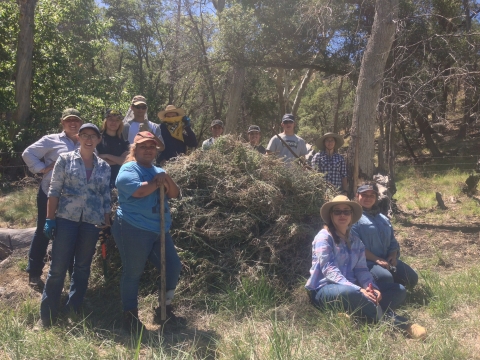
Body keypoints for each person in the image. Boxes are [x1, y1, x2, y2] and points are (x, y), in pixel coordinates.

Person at [305, 195, 426, 339]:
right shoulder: (324, 237)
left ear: (351, 216)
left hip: (353, 289)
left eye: (346, 211)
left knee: (398, 290)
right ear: (331, 216)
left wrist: (371, 287)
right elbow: (329, 269)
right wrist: (359, 290)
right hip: (325, 290)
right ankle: (402, 324)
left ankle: (353, 313)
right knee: (350, 293)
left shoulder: (355, 241)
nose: (342, 215)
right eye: (337, 212)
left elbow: (361, 269)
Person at [40, 123, 111, 327]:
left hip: (91, 222)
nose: (89, 139)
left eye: (93, 136)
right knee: (58, 268)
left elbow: (106, 197)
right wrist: (50, 218)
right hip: (66, 219)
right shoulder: (65, 160)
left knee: (82, 267)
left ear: (98, 140)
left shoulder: (104, 167)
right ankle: (47, 316)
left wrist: (106, 224)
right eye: (85, 135)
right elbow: (54, 191)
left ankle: (73, 309)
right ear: (79, 137)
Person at [112, 131, 183, 333]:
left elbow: (175, 193)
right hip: (133, 227)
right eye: (143, 146)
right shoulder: (128, 169)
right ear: (135, 150)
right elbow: (139, 191)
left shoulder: (158, 169)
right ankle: (130, 316)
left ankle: (165, 307)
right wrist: (156, 181)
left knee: (172, 266)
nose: (148, 150)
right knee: (133, 272)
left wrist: (165, 177)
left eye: (151, 147)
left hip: (159, 229)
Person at [22, 108, 82, 287]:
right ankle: (34, 272)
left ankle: (71, 275)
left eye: (76, 120)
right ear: (62, 123)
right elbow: (28, 153)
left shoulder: (85, 140)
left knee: (71, 232)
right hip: (49, 192)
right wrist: (42, 168)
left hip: (74, 196)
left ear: (80, 123)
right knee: (43, 230)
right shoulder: (51, 140)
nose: (73, 123)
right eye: (68, 120)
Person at [351, 182, 419, 288]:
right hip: (366, 262)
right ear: (357, 195)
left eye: (371, 195)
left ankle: (394, 287)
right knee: (385, 278)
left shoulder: (383, 218)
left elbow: (392, 241)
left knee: (412, 278)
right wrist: (376, 259)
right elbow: (356, 246)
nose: (368, 198)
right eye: (364, 195)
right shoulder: (353, 218)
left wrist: (393, 255)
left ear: (376, 197)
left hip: (387, 260)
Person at [96, 109, 130, 188]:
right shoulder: (98, 139)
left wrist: (106, 156)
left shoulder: (124, 142)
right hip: (101, 179)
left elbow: (125, 162)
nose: (113, 122)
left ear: (120, 123)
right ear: (106, 121)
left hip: (119, 180)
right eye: (111, 119)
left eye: (117, 120)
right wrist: (117, 160)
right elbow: (95, 160)